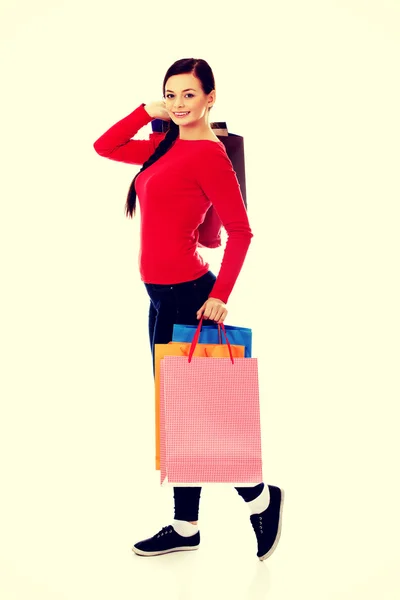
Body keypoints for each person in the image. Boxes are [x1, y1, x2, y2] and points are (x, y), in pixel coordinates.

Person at [93, 57, 284, 561]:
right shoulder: (163, 144)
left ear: (210, 98)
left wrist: (219, 295)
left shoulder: (210, 156)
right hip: (158, 296)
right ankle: (185, 526)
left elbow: (241, 232)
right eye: (171, 95)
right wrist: (143, 111)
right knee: (176, 414)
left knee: (203, 414)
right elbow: (104, 146)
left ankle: (262, 497)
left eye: (189, 95)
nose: (179, 104)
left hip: (190, 297)